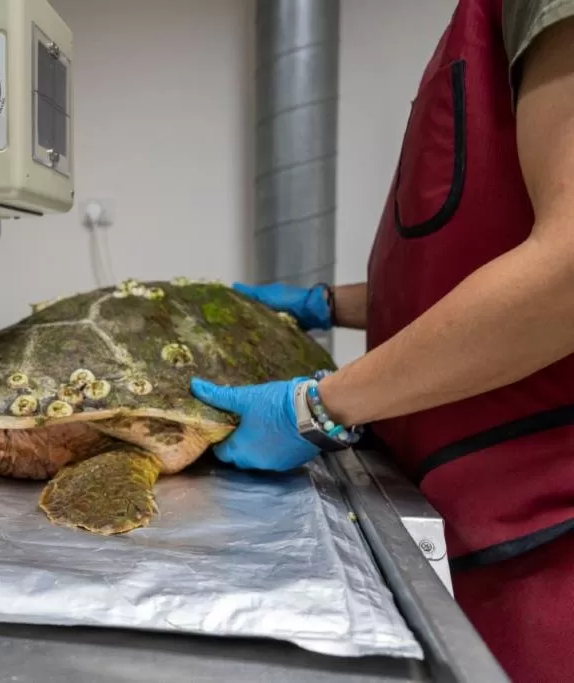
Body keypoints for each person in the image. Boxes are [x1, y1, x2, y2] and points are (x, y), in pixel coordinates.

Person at [189, 1, 574, 681]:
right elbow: (469, 265)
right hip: (457, 516)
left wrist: (317, 404)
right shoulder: (482, 25)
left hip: (543, 544)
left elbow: (565, 272)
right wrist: (327, 304)